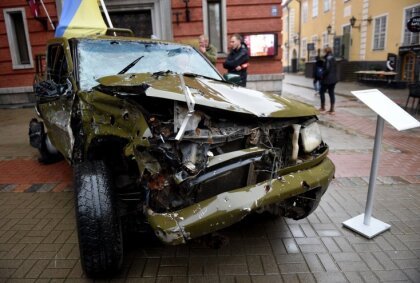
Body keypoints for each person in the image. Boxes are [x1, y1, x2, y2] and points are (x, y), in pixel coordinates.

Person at [319, 47, 338, 114]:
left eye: (323, 51)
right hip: (334, 79)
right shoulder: (333, 58)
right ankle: (332, 110)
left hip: (327, 79)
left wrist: (321, 74)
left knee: (321, 92)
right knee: (331, 93)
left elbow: (327, 69)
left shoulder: (327, 59)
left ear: (326, 52)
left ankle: (322, 107)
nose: (323, 52)